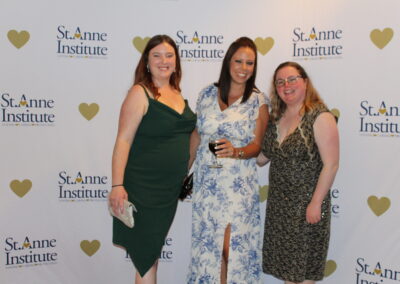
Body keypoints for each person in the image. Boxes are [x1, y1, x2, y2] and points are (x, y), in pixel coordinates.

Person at [108, 34, 196, 284]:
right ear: (146, 61)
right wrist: (117, 186)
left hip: (168, 192)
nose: (163, 60)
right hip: (143, 188)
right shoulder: (140, 92)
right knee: (146, 257)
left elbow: (188, 139)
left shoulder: (178, 94)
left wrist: (184, 170)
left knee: (151, 256)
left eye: (169, 55)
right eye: (156, 55)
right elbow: (123, 140)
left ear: (176, 62)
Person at [187, 37, 269, 284]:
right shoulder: (206, 94)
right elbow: (196, 136)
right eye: (239, 61)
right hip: (207, 185)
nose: (244, 68)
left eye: (250, 63)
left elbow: (257, 147)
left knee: (231, 250)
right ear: (228, 62)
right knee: (209, 249)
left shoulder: (258, 100)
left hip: (237, 186)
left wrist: (236, 151)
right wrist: (183, 171)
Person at [257, 61, 339, 284]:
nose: (286, 86)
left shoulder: (320, 116)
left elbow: (331, 164)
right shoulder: (276, 118)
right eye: (280, 82)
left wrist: (316, 203)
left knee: (302, 276)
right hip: (279, 208)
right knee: (288, 274)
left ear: (304, 82)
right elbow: (262, 158)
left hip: (306, 207)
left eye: (292, 79)